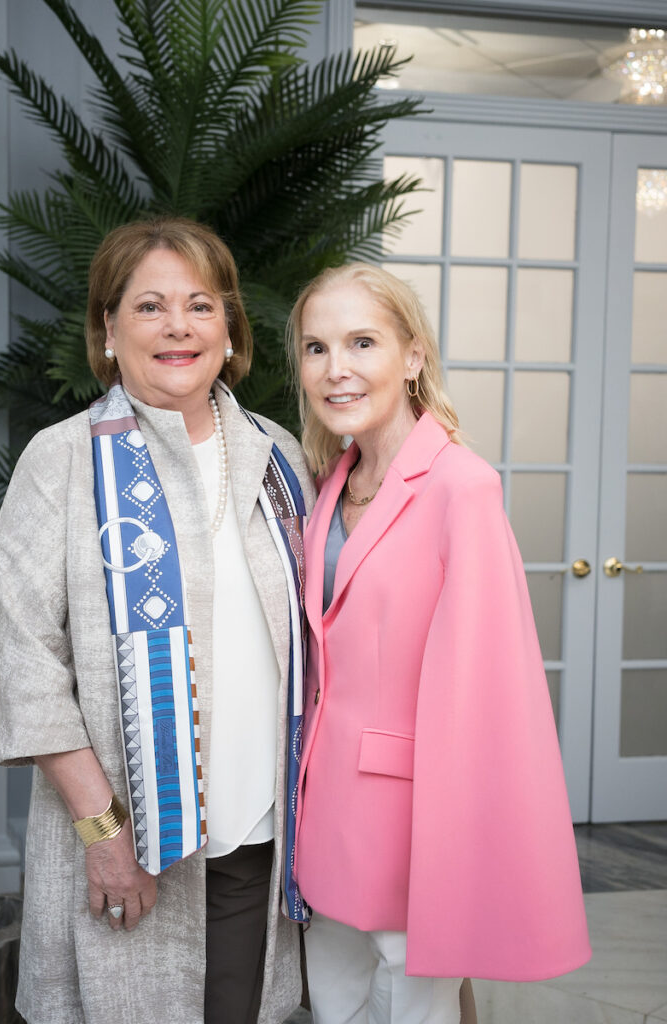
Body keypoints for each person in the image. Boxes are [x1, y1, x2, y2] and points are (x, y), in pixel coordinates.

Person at [0, 217, 316, 1024]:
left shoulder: (280, 457)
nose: (179, 327)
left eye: (202, 305)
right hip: (123, 841)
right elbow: (30, 667)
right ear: (108, 330)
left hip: (258, 837)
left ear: (230, 328)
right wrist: (104, 835)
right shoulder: (62, 459)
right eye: (150, 307)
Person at [286, 263, 591, 1024]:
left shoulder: (462, 486)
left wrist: (457, 840)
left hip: (415, 812)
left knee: (414, 1006)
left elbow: (487, 686)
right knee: (335, 1003)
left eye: (362, 342)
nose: (337, 369)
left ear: (413, 356)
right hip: (321, 804)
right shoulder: (333, 479)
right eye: (317, 348)